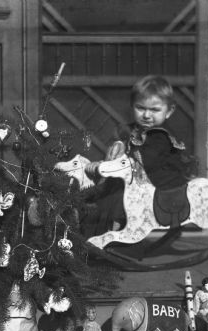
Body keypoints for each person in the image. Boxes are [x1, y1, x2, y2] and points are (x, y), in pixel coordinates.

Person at [81, 75, 197, 236]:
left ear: (169, 112)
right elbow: (117, 154)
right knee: (99, 193)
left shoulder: (160, 137)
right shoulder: (128, 131)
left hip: (157, 186)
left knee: (116, 199)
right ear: (132, 106)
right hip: (133, 181)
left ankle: (118, 235)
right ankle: (91, 232)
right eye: (141, 108)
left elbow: (144, 163)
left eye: (155, 110)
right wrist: (108, 159)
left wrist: (107, 166)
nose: (147, 115)